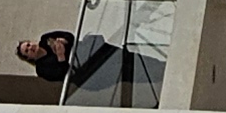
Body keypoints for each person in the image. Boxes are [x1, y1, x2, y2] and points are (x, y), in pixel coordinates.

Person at [15, 26, 161, 105]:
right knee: (129, 73)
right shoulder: (42, 69)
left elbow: (69, 36)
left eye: (28, 45)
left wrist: (63, 42)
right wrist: (61, 56)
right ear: (29, 57)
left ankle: (161, 66)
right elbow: (61, 74)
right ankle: (158, 77)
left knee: (130, 58)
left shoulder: (45, 38)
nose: (30, 48)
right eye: (27, 51)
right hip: (90, 70)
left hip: (95, 51)